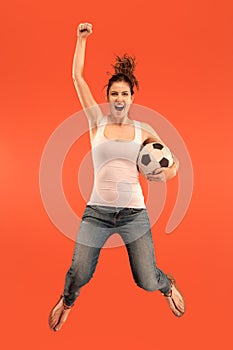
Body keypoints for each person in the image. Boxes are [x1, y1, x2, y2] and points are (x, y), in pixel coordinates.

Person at [48, 22, 185, 332]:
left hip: (133, 214)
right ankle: (67, 301)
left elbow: (173, 164)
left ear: (132, 96)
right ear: (108, 97)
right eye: (114, 93)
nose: (119, 97)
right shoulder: (96, 121)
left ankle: (167, 286)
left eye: (124, 92)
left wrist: (166, 173)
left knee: (146, 280)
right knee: (78, 272)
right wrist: (80, 40)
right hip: (97, 212)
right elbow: (76, 77)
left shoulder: (144, 132)